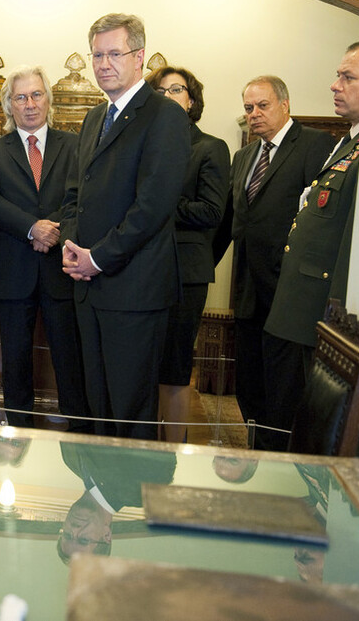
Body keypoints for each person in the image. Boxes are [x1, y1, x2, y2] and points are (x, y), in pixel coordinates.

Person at [59, 13, 191, 439]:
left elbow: (152, 207)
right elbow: (75, 194)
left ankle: (131, 504)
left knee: (130, 411)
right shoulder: (95, 117)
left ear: (139, 58)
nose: (103, 64)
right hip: (89, 286)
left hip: (134, 289)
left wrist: (97, 258)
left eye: (114, 53)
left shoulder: (164, 116)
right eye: (97, 54)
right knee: (97, 403)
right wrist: (71, 245)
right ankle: (103, 497)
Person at [264, 40, 359, 433]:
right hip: (298, 307)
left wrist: (335, 319)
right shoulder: (349, 142)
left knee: (309, 427)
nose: (335, 85)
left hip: (319, 312)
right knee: (284, 413)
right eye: (337, 75)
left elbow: (351, 246)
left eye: (348, 77)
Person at [0, 65, 88, 431]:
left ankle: (79, 440)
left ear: (48, 100)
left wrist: (52, 230)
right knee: (16, 361)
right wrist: (31, 228)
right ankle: (19, 434)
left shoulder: (73, 145)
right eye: (20, 97)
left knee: (69, 362)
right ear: (9, 105)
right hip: (14, 272)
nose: (29, 104)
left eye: (36, 95)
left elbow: (80, 198)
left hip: (63, 269)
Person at [225, 75, 333, 451]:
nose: (254, 114)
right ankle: (259, 453)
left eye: (262, 106)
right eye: (248, 108)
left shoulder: (316, 145)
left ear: (285, 105)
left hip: (289, 291)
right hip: (248, 289)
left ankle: (283, 462)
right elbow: (235, 222)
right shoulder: (243, 158)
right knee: (250, 383)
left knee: (285, 386)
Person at [146, 66, 229, 443]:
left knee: (175, 366)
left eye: (176, 90)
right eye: (160, 92)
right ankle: (142, 450)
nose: (168, 97)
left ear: (191, 100)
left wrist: (164, 205)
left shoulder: (210, 147)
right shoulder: (147, 144)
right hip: (143, 267)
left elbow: (213, 212)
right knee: (145, 365)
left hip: (185, 271)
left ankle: (171, 455)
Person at [57, 441, 176, 563]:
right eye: (83, 539)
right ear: (106, 535)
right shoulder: (140, 491)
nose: (74, 529)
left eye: (67, 535)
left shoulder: (69, 459)